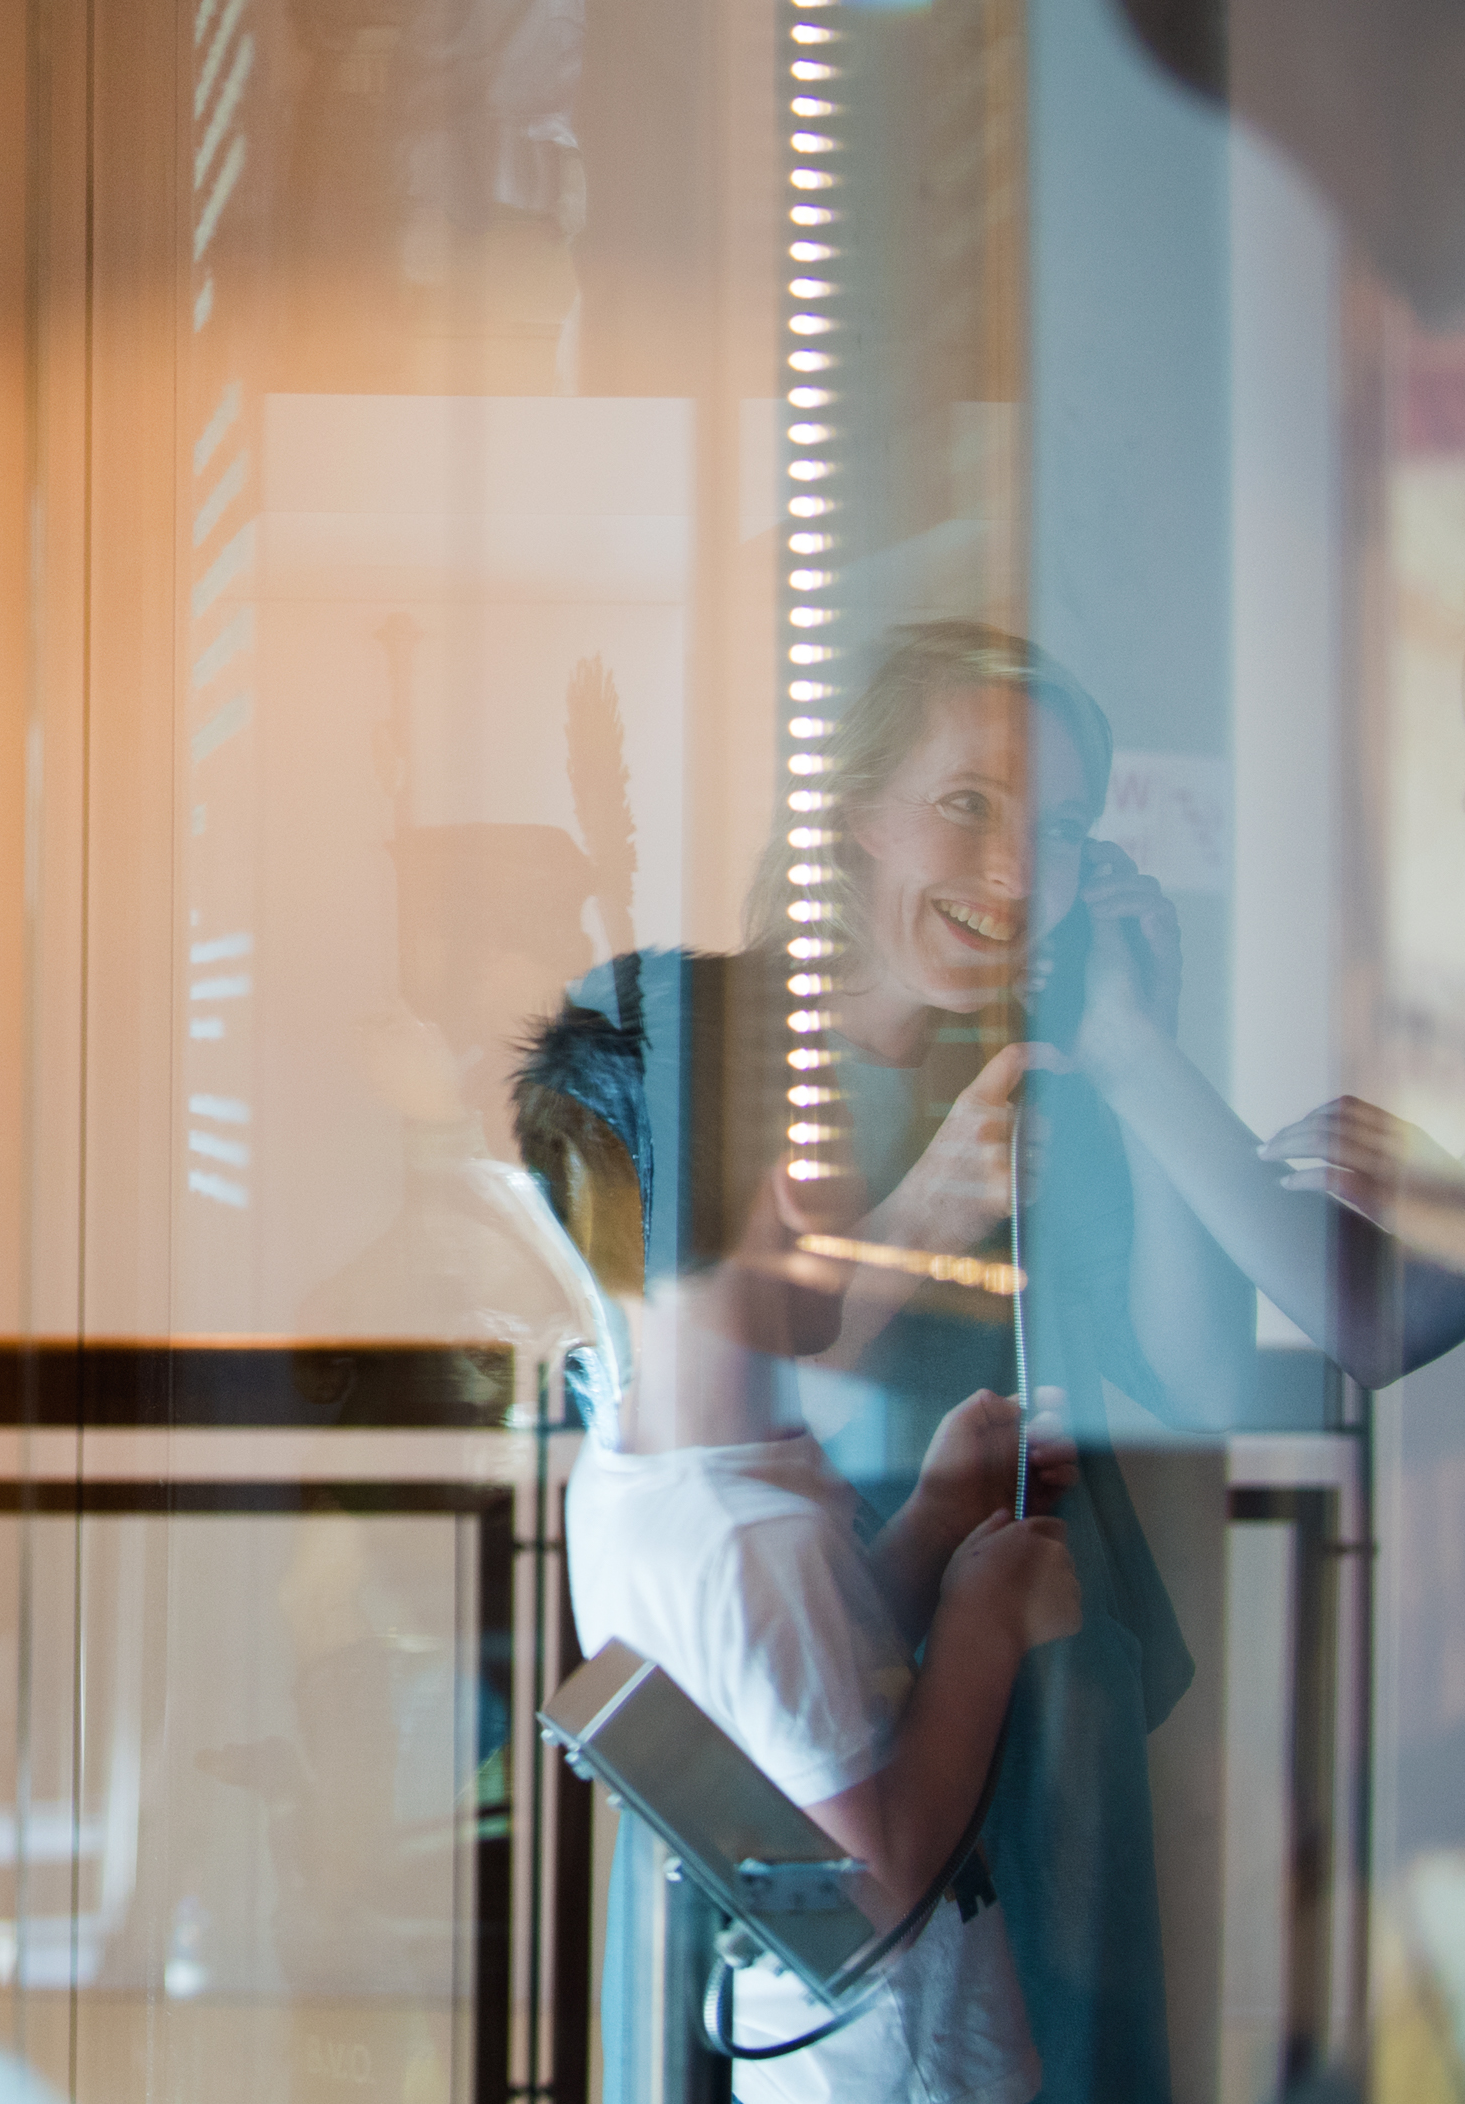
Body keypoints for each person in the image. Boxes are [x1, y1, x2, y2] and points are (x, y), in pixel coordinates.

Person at [523, 618, 1252, 2100]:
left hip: (1032, 1704)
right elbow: (688, 1386)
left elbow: (1194, 1376)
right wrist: (922, 1214)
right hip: (797, 1747)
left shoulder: (1050, 1076)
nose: (1011, 872)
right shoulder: (710, 1071)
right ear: (848, 809)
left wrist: (1138, 1046)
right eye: (967, 803)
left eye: (1055, 829)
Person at [519, 1001, 1073, 2103]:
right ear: (795, 1183)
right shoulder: (748, 1538)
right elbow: (875, 1884)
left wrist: (931, 1519)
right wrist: (985, 1617)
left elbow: (798, 1691)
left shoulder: (648, 1464)